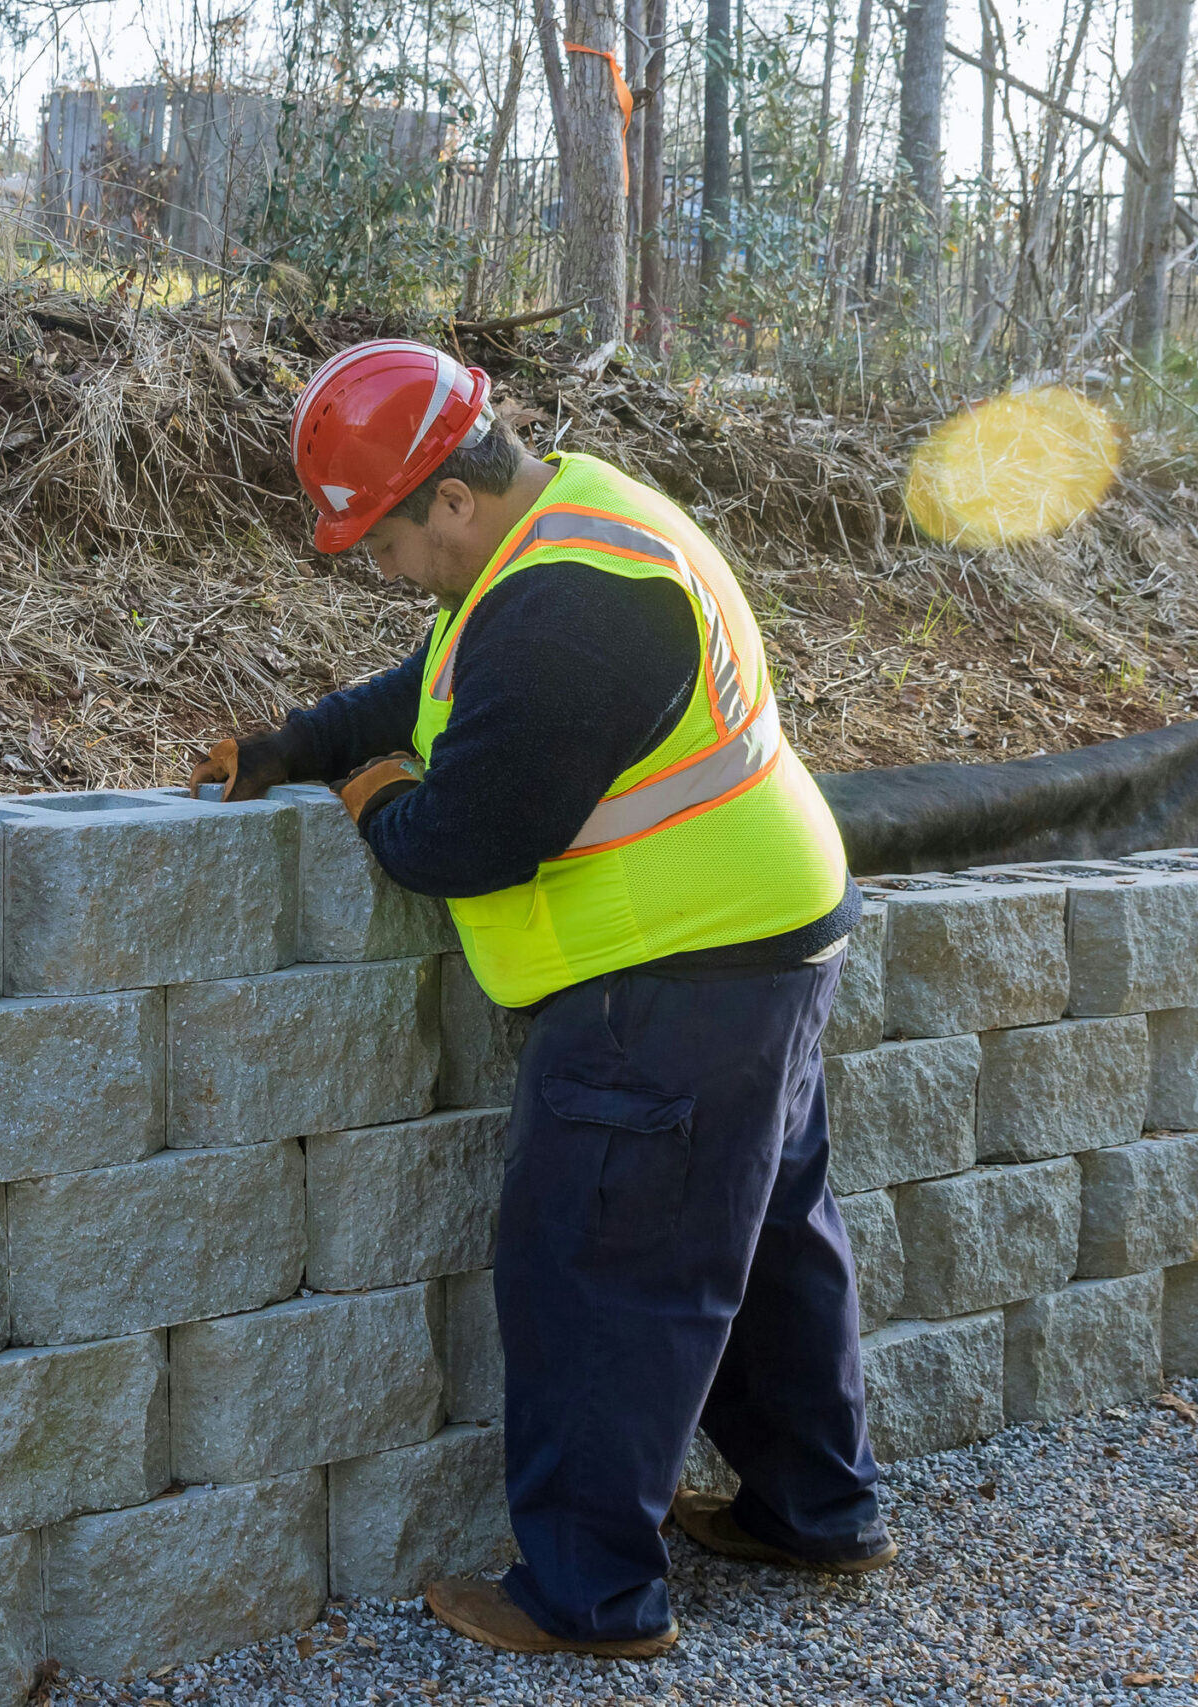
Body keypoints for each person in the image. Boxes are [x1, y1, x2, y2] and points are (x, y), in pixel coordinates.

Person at [193, 339, 892, 1659]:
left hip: (672, 975)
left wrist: (379, 800)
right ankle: (818, 1508)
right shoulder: (561, 529)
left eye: (387, 543)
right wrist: (307, 740)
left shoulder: (573, 607)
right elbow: (443, 679)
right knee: (761, 1242)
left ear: (450, 500)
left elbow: (467, 839)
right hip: (758, 940)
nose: (386, 572)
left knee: (600, 1269)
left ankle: (589, 1594)